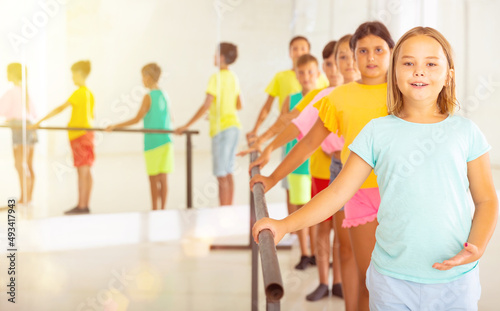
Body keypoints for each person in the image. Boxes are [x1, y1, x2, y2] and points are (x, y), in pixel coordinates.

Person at [253, 26, 498, 311]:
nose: (419, 71)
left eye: (431, 64)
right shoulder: (376, 132)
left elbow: (487, 200)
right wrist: (284, 225)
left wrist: (476, 247)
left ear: (449, 74)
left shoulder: (466, 132)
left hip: (455, 282)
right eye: (409, 63)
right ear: (395, 71)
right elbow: (337, 194)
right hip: (391, 282)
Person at [250, 21, 394, 310]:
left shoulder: (402, 92)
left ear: (391, 52)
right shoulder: (339, 97)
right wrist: (273, 177)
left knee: (396, 281)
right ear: (353, 56)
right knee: (371, 281)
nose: (370, 58)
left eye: (379, 50)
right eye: (362, 51)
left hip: (398, 191)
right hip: (357, 193)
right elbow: (306, 143)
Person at [175, 43, 241, 206]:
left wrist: (186, 125)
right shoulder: (233, 76)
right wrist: (215, 112)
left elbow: (206, 104)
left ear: (223, 57)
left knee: (221, 174)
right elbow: (239, 105)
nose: (213, 57)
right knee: (228, 171)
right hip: (234, 127)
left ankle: (223, 211)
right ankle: (228, 209)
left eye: (216, 54)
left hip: (222, 130)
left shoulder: (216, 77)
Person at [106, 63, 173, 210]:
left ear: (148, 77)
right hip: (167, 140)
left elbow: (136, 119)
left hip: (153, 142)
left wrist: (115, 126)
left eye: (142, 76)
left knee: (153, 178)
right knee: (163, 177)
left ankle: (155, 209)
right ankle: (163, 210)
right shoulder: (165, 95)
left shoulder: (148, 97)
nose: (141, 80)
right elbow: (170, 118)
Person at [32, 60, 95, 215]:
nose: (72, 78)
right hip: (87, 134)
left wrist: (39, 121)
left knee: (82, 171)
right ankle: (84, 204)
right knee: (86, 170)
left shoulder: (80, 92)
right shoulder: (89, 93)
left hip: (80, 136)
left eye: (73, 75)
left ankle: (82, 206)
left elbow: (60, 108)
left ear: (80, 74)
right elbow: (92, 115)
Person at [0, 63, 38, 204]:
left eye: (8, 72)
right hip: (30, 129)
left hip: (19, 130)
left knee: (20, 164)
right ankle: (28, 197)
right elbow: (34, 113)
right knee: (28, 165)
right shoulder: (25, 91)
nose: (6, 75)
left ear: (13, 75)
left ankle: (24, 198)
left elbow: (1, 109)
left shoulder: (13, 92)